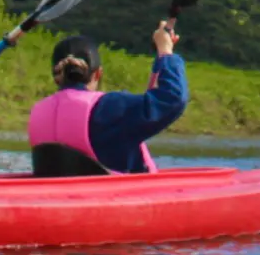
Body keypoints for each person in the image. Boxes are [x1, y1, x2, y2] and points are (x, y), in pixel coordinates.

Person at [27, 20, 187, 176]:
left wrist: (161, 58)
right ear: (98, 74)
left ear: (56, 76)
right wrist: (165, 50)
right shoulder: (109, 109)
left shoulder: (38, 113)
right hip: (115, 197)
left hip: (56, 196)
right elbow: (172, 98)